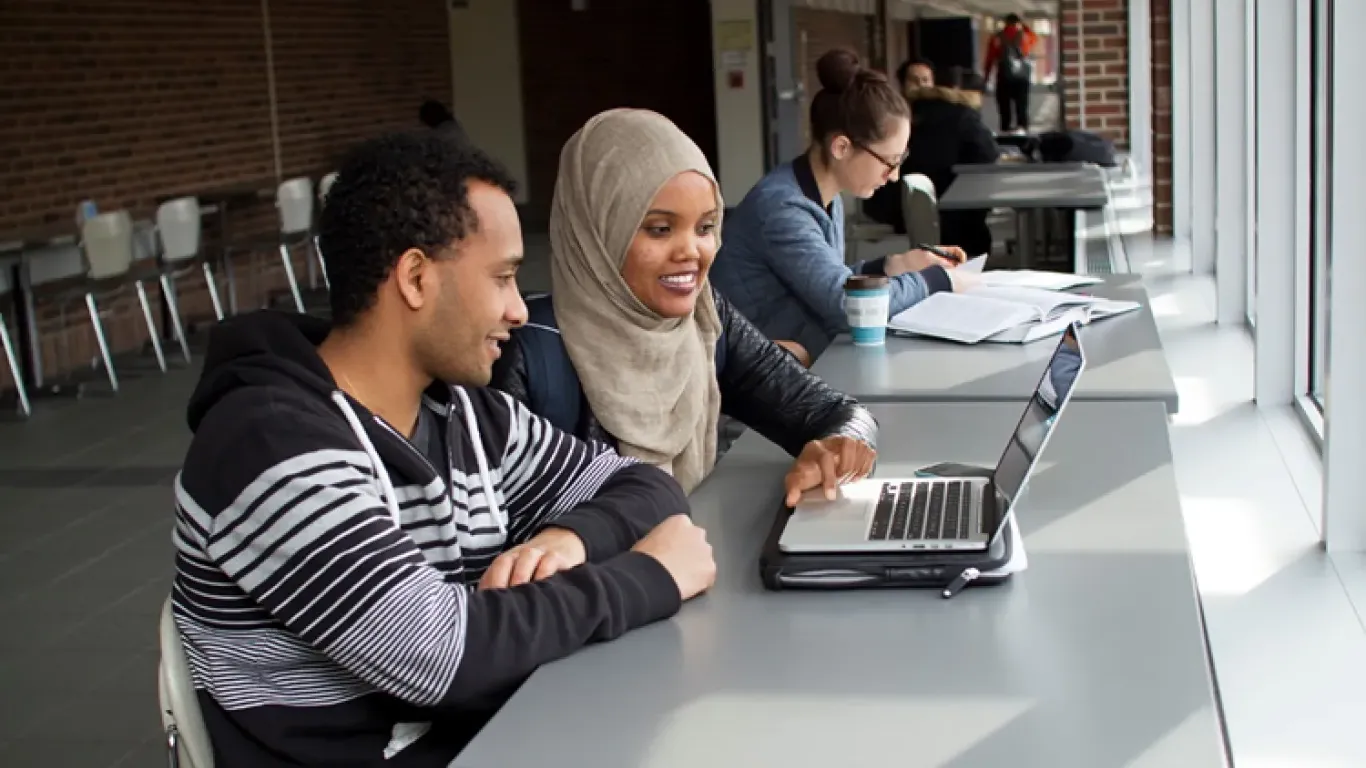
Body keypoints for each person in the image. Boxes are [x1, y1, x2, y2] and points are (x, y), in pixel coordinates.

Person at [171, 131, 717, 767]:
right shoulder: (267, 445)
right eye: (504, 276)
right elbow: (439, 654)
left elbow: (645, 487)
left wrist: (568, 539)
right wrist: (651, 576)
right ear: (415, 277)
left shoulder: (464, 411)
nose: (519, 310)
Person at [491, 108, 878, 503]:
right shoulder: (523, 356)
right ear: (597, 232)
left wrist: (841, 447)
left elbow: (835, 410)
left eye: (706, 227)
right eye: (660, 229)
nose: (692, 252)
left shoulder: (705, 322)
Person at [711, 48, 973, 363]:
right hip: (762, 372)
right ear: (842, 147)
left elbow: (825, 279)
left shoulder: (822, 193)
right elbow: (846, 303)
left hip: (803, 354)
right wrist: (938, 280)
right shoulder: (782, 209)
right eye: (889, 162)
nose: (893, 177)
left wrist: (896, 265)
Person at [863, 64, 999, 254]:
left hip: (894, 203)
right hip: (956, 215)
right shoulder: (962, 115)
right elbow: (988, 154)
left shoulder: (895, 115)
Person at [983, 13, 1038, 133]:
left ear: (1006, 23)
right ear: (1019, 23)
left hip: (1003, 77)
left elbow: (989, 59)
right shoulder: (1026, 36)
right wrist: (1024, 26)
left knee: (1004, 110)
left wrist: (986, 78)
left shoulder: (997, 37)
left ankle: (1005, 131)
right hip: (1022, 78)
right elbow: (1035, 39)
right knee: (1022, 108)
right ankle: (1023, 132)